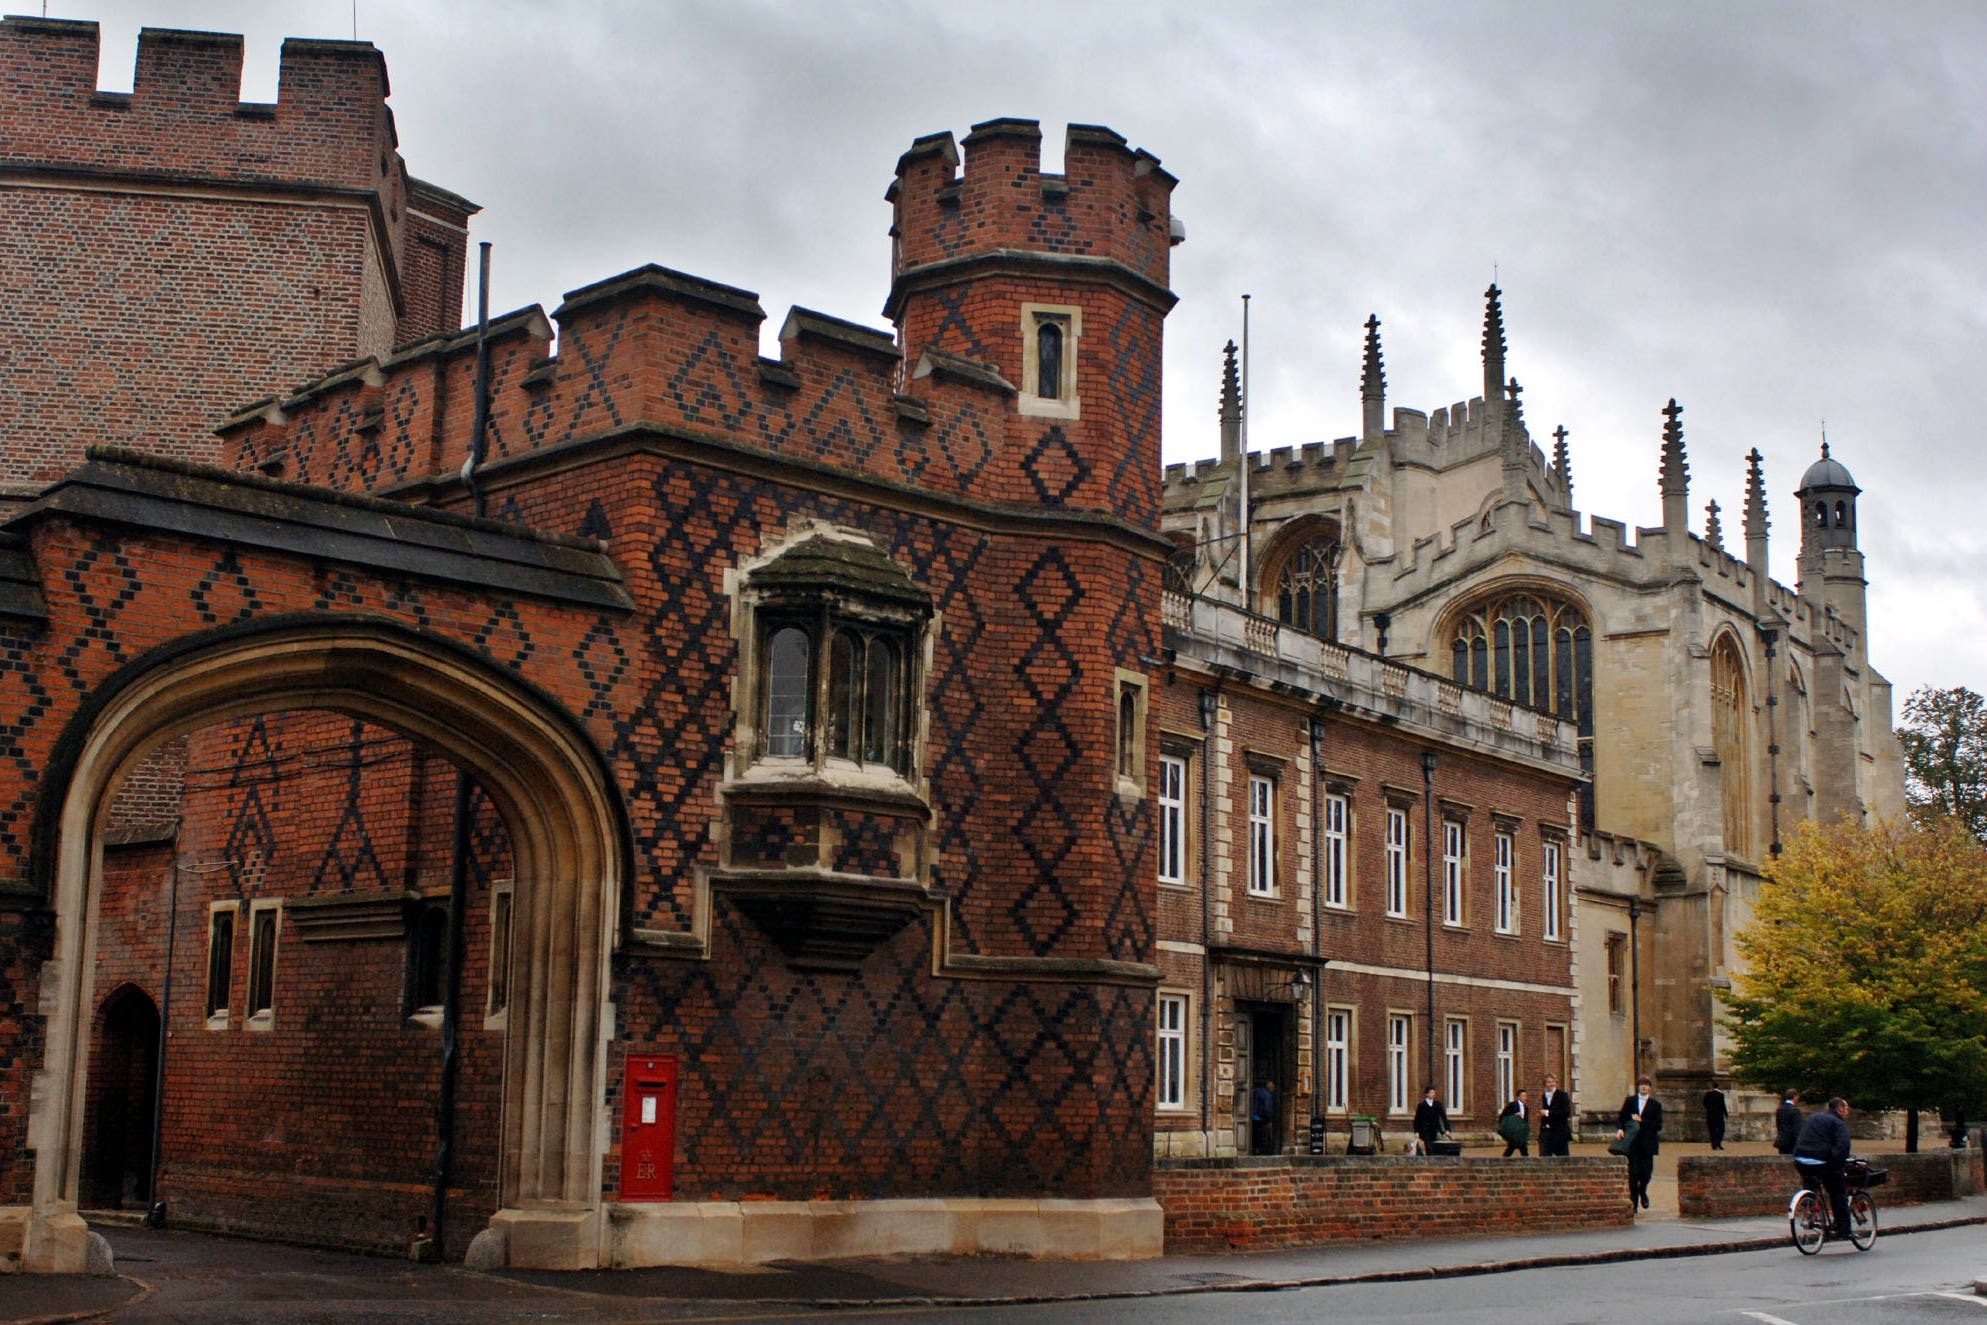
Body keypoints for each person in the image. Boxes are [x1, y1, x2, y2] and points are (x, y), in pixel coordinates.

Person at [1792, 1096, 1854, 1239]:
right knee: (1837, 1192)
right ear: (1839, 1108)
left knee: (1811, 1185)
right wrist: (1837, 1163)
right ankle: (1844, 1231)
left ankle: (1811, 1210)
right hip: (1820, 1162)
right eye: (1846, 1109)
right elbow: (1843, 1147)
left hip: (1800, 1160)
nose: (1847, 1112)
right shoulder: (1838, 1123)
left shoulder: (1813, 1117)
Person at [1615, 1075, 1663, 1210]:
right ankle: (1634, 1203)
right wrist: (1620, 1129)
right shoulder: (1630, 1101)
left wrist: (1642, 1121)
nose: (1643, 1087)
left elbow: (1658, 1125)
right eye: (1641, 1084)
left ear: (1650, 1088)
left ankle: (1643, 1191)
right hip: (1633, 1143)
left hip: (1648, 1143)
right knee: (1633, 1174)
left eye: (1646, 1084)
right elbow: (1621, 1118)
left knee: (1646, 1173)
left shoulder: (1655, 1105)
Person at [1539, 1074, 1573, 1157]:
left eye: (1553, 1082)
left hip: (1559, 1131)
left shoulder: (1562, 1095)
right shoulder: (1544, 1096)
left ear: (1556, 1083)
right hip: (1546, 1130)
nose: (1551, 1084)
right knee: (1544, 1156)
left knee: (1563, 1157)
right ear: (1545, 1084)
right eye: (1548, 1082)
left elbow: (1566, 1112)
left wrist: (1548, 1113)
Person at [1413, 1087, 1450, 1155]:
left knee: (1439, 1145)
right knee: (1428, 1146)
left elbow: (1443, 1117)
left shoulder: (1438, 1105)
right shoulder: (1422, 1105)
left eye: (1434, 1092)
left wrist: (1447, 1129)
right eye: (1431, 1092)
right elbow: (1417, 1119)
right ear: (1427, 1094)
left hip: (1435, 1129)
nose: (1433, 1094)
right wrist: (1416, 1131)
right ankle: (1429, 1159)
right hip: (1424, 1130)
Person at [1498, 1089, 1532, 1157]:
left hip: (1520, 1131)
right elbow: (1503, 1116)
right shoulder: (1512, 1105)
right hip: (1513, 1131)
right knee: (1514, 1147)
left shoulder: (1526, 1108)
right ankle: (1505, 1159)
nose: (1525, 1098)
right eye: (1523, 1096)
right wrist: (1514, 1115)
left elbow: (1525, 1120)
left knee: (1520, 1147)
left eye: (1526, 1096)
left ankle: (1526, 1161)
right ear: (1518, 1097)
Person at [1249, 1079, 1277, 1156]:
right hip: (1261, 1118)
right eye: (1273, 1088)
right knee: (1261, 1136)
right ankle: (1260, 1151)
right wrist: (1268, 1120)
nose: (1273, 1090)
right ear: (1270, 1087)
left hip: (1252, 1116)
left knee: (1254, 1135)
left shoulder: (1255, 1091)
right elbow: (1267, 1109)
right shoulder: (1267, 1095)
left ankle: (1254, 1149)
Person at [1775, 1089, 1803, 1155]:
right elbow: (1797, 1128)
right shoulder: (1795, 1110)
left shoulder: (1780, 1109)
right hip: (1791, 1141)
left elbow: (1778, 1124)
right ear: (1795, 1096)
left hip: (1782, 1139)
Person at [1702, 1081, 1729, 1150]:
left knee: (1712, 1130)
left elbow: (1704, 1103)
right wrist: (1726, 1114)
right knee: (1721, 1129)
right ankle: (1718, 1142)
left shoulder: (1708, 1094)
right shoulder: (1720, 1095)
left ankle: (1714, 1144)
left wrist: (1709, 1109)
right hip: (1719, 1115)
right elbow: (1723, 1105)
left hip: (1710, 1114)